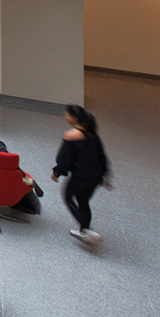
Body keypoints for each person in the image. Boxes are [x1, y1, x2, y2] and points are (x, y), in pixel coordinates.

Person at [52, 104, 111, 245]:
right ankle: (84, 231)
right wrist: (105, 175)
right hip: (95, 177)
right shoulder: (92, 133)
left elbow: (64, 159)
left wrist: (57, 173)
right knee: (83, 201)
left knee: (68, 197)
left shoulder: (71, 136)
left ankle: (87, 230)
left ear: (74, 118)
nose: (65, 116)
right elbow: (101, 155)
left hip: (81, 176)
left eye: (66, 114)